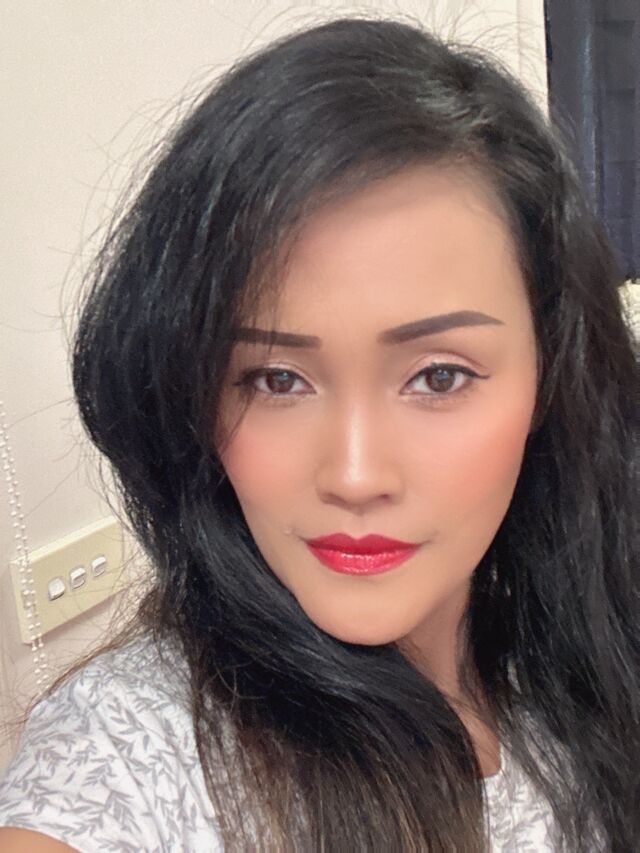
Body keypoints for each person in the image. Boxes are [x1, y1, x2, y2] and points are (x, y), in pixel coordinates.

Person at [0, 15, 637, 852]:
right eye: (276, 379)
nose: (355, 473)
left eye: (438, 376)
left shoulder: (590, 656)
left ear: (550, 373)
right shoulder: (125, 755)